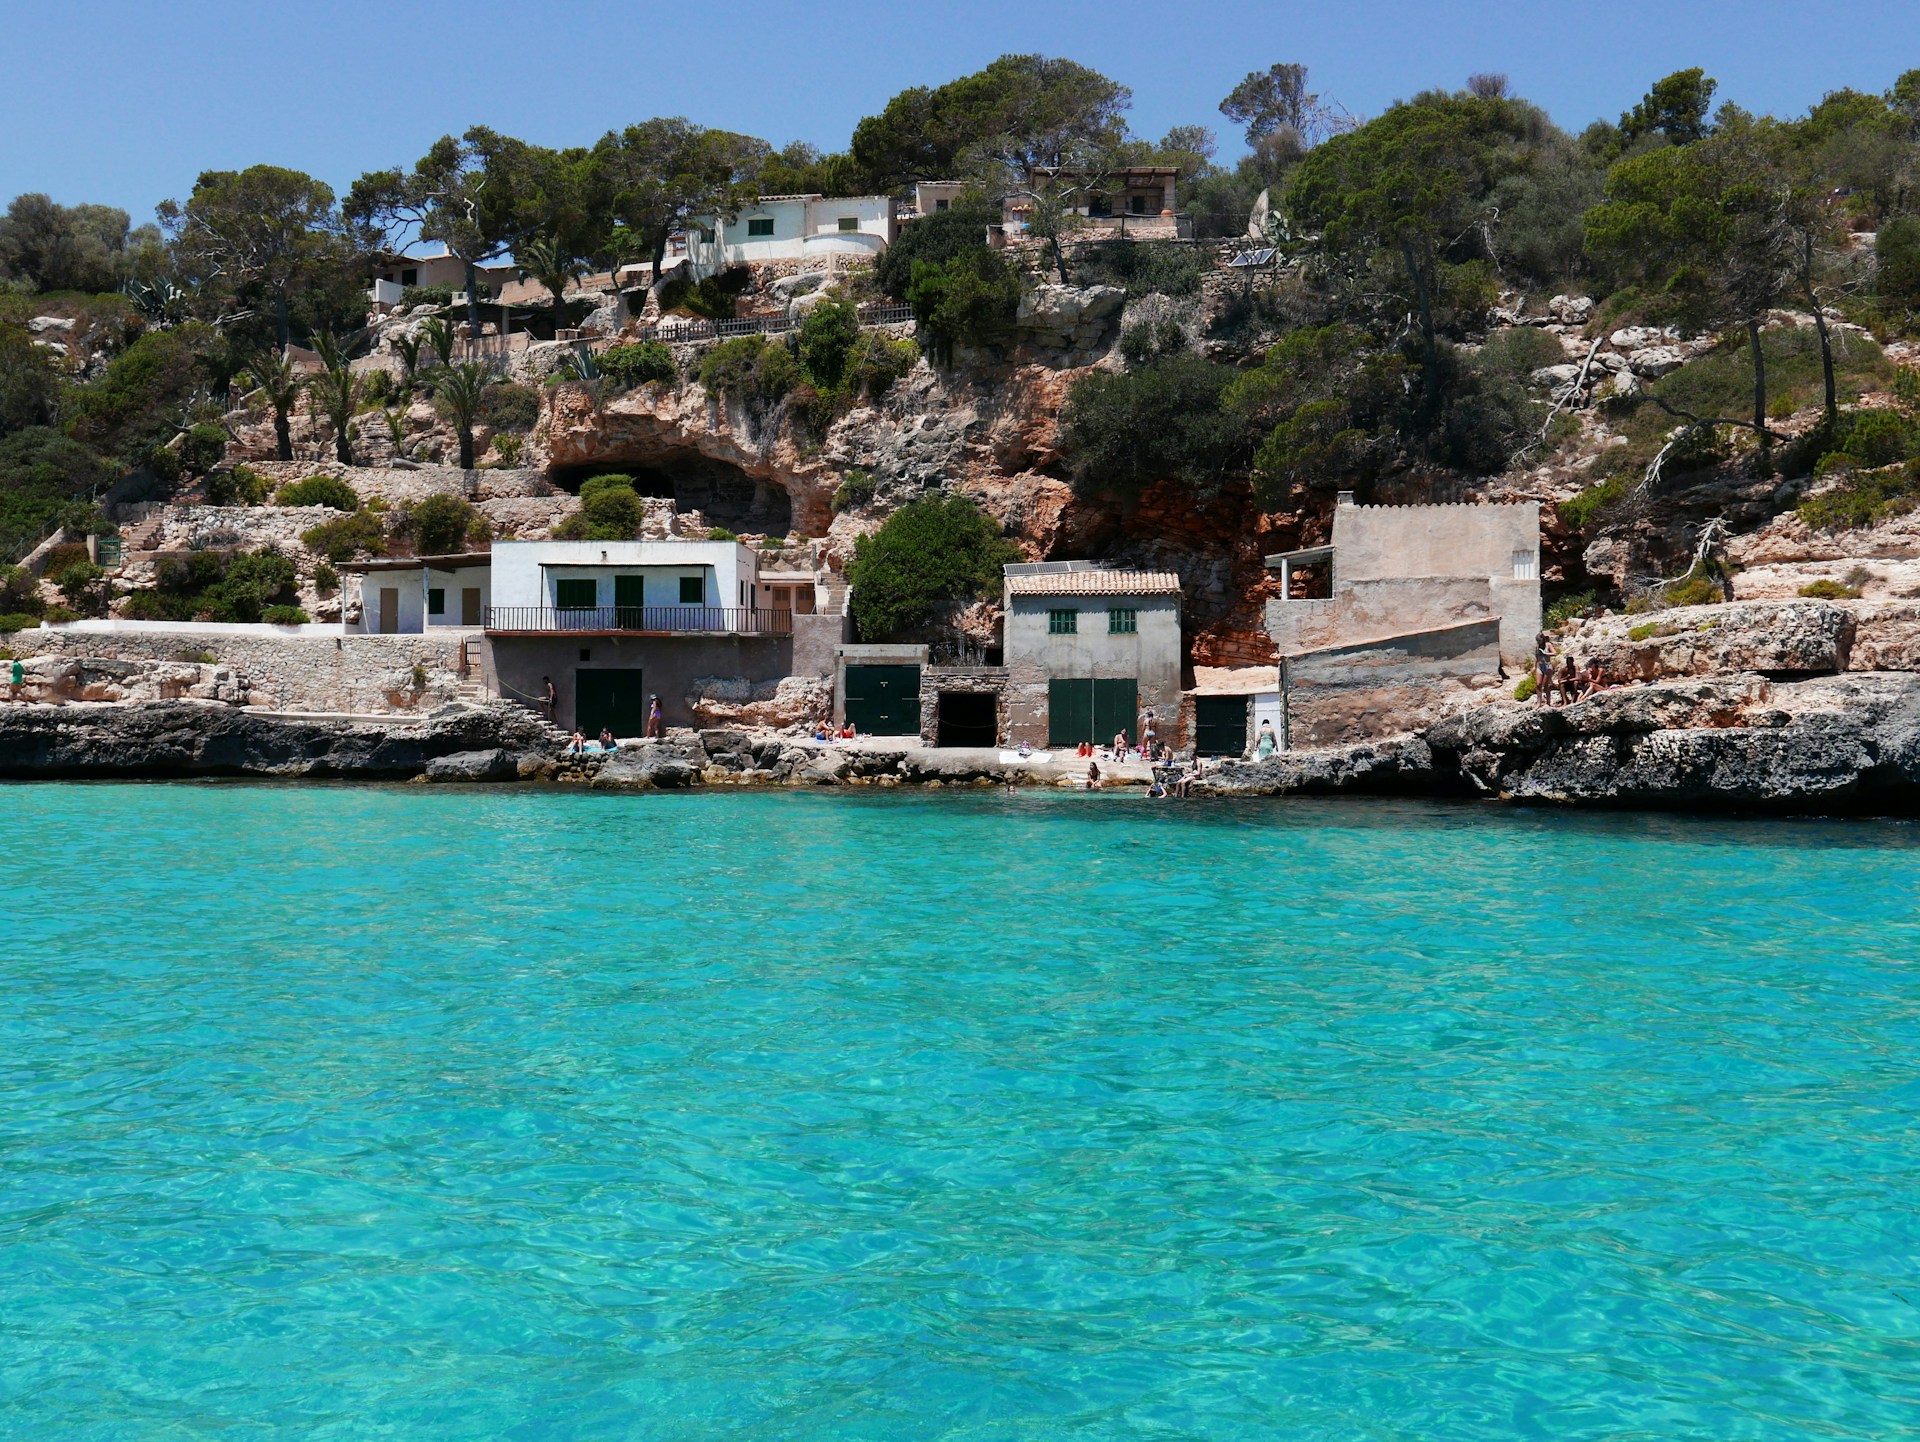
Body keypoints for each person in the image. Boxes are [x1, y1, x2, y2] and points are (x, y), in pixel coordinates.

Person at [1532, 633, 1555, 706]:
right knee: (1538, 684)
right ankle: (1539, 703)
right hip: (1540, 666)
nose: (1538, 642)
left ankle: (1548, 702)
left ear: (1542, 639)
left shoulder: (1548, 645)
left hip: (1547, 666)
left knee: (1546, 685)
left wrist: (1545, 653)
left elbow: (1554, 653)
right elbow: (1536, 657)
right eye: (1537, 640)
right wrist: (1534, 666)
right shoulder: (1537, 647)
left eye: (1539, 640)